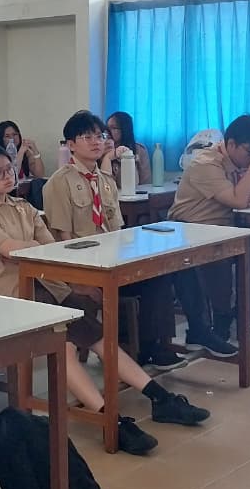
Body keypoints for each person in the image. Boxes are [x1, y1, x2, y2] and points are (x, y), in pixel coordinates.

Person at [0, 145, 207, 455]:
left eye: (9, 169)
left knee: (96, 334)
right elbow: (12, 250)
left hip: (46, 290)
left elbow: (50, 248)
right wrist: (38, 250)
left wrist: (67, 276)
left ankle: (159, 398)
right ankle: (113, 420)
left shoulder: (23, 206)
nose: (7, 176)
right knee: (65, 342)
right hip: (11, 299)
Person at [43, 111, 190, 371]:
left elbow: (117, 231)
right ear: (71, 145)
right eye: (86, 137)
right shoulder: (58, 183)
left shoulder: (106, 181)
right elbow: (61, 240)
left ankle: (151, 347)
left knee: (159, 274)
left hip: (112, 261)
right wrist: (77, 282)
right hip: (83, 267)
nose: (96, 142)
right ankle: (130, 350)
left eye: (100, 136)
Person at [168, 115, 250, 346]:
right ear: (231, 144)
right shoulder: (205, 163)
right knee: (219, 253)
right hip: (191, 227)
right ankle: (221, 318)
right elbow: (238, 200)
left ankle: (248, 310)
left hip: (229, 227)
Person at [101, 111, 151, 186]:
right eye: (107, 128)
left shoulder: (139, 149)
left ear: (124, 130)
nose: (108, 132)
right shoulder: (102, 147)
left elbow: (146, 183)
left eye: (113, 128)